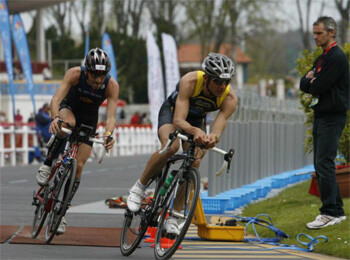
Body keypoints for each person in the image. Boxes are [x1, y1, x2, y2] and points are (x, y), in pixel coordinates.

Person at [127, 53, 237, 234]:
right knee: (171, 147)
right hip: (172, 114)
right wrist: (196, 132)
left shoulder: (229, 98)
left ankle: (174, 215)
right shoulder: (191, 81)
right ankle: (139, 187)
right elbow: (178, 120)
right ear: (207, 77)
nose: (222, 86)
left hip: (196, 121)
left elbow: (217, 130)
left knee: (195, 161)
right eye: (218, 81)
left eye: (226, 81)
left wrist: (211, 139)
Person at [36, 47, 119, 234]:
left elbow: (111, 117)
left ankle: (62, 211)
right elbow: (56, 99)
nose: (98, 80)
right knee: (68, 123)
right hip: (68, 108)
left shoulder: (111, 85)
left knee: (79, 166)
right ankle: (48, 163)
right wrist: (56, 117)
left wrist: (108, 134)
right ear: (86, 71)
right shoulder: (75, 74)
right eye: (94, 75)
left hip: (89, 120)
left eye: (102, 75)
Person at [300, 16, 349, 229]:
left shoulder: (336, 57)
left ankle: (329, 212)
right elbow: (305, 82)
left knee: (324, 163)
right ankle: (336, 210)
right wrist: (310, 81)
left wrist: (312, 81)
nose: (315, 37)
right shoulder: (322, 58)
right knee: (320, 164)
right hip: (321, 114)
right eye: (314, 33)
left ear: (331, 32)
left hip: (332, 115)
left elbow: (318, 85)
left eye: (319, 33)